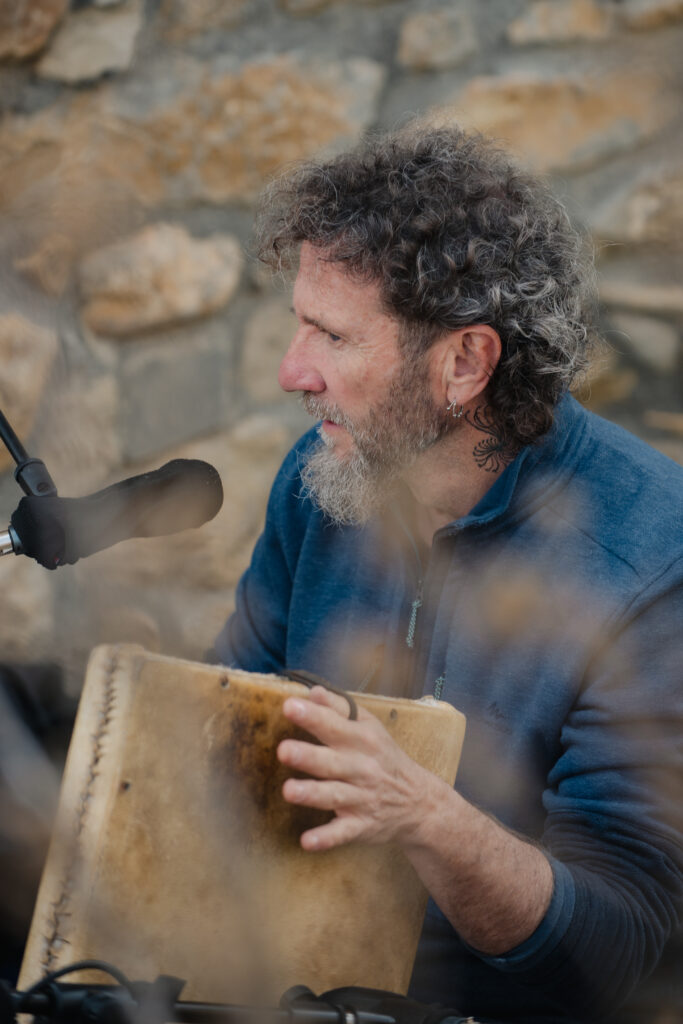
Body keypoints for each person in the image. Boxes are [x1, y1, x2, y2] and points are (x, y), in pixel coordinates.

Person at [211, 125, 683, 1023]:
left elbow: (614, 949)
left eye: (331, 335)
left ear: (464, 362)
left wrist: (425, 817)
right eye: (298, 323)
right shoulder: (324, 480)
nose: (290, 372)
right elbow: (225, 732)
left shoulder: (656, 557)